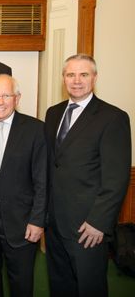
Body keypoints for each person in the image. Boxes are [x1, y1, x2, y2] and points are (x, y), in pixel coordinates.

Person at [44, 54, 132, 297]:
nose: (77, 80)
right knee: (60, 285)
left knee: (89, 287)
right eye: (70, 75)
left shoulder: (112, 117)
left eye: (84, 74)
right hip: (54, 223)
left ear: (94, 78)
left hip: (87, 227)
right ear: (63, 79)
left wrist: (98, 222)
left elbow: (116, 178)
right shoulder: (53, 114)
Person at [0, 74, 47, 297]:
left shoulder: (35, 130)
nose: (0, 101)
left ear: (17, 98)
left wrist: (37, 220)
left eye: (6, 95)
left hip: (21, 221)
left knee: (21, 283)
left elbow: (42, 180)